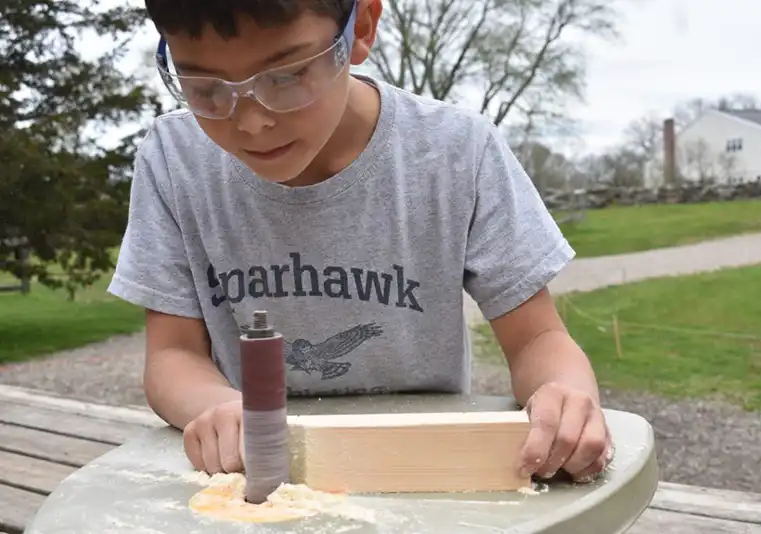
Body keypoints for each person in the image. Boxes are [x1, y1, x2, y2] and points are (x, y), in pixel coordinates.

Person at [108, 0, 613, 486]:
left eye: (286, 76)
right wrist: (214, 408)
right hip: (259, 471)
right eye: (205, 88)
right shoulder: (174, 159)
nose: (250, 121)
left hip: (424, 469)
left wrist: (562, 396)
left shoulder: (457, 151)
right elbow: (174, 355)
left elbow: (537, 340)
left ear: (362, 26)